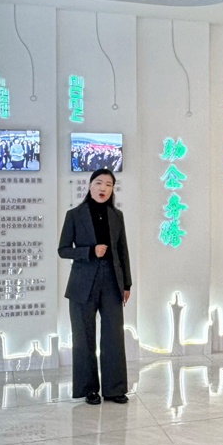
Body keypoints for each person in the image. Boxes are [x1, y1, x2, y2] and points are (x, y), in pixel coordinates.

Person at [58, 168, 132, 405]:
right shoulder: (74, 215)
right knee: (83, 337)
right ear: (90, 186)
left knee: (114, 336)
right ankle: (89, 389)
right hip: (82, 283)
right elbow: (63, 250)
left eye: (109, 185)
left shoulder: (117, 215)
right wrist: (90, 251)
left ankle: (114, 389)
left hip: (111, 280)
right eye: (99, 183)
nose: (103, 188)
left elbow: (122, 251)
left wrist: (127, 284)